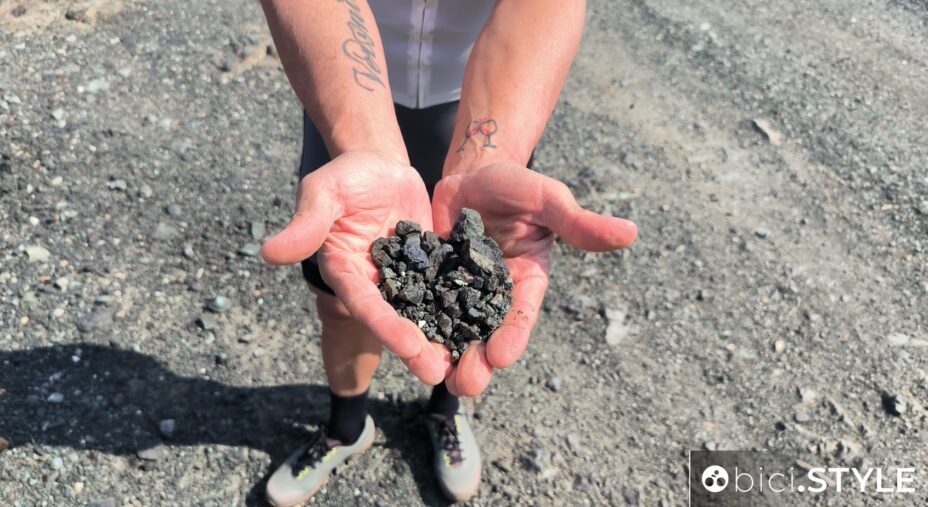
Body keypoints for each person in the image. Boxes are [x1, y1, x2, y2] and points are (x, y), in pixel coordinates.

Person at [257, 0, 638, 504]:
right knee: (340, 295)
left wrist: (491, 154)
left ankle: (444, 411)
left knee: (473, 332)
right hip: (341, 89)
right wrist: (362, 143)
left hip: (487, 98)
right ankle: (346, 427)